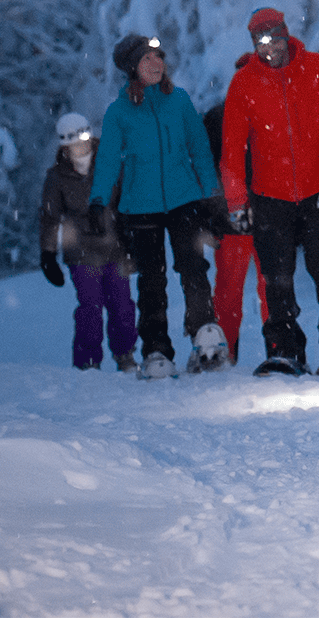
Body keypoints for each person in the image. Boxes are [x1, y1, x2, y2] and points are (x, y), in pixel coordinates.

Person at [219, 7, 319, 378]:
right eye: (260, 40)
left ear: (286, 34)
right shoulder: (244, 83)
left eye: (274, 36)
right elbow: (232, 149)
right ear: (253, 43)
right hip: (269, 197)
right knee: (277, 279)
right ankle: (285, 351)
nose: (269, 47)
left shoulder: (318, 70)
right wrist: (237, 201)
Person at [91, 34, 230, 379]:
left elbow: (199, 150)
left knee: (193, 268)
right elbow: (107, 161)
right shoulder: (119, 112)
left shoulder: (179, 101)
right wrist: (97, 201)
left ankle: (205, 336)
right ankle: (157, 352)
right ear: (131, 70)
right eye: (146, 60)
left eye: (158, 57)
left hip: (184, 199)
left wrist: (212, 195)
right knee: (152, 280)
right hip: (140, 206)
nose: (156, 64)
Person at [37, 112, 137, 373]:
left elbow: (126, 203)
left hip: (114, 246)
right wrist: (48, 254)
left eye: (83, 138)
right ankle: (88, 361)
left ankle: (125, 354)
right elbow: (50, 217)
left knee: (122, 304)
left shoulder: (111, 162)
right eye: (72, 143)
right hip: (81, 251)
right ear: (64, 146)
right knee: (90, 307)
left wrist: (133, 240)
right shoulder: (57, 177)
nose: (80, 146)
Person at [201, 98, 270, 371]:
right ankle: (223, 352)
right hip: (230, 218)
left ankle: (281, 348)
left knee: (273, 288)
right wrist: (210, 212)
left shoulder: (278, 112)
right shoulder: (218, 117)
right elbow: (205, 167)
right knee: (229, 289)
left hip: (269, 218)